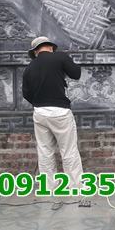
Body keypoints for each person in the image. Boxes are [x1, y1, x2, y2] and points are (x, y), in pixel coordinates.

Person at [22, 36, 83, 194]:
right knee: (68, 150)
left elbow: (26, 94)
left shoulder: (29, 68)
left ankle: (49, 187)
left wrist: (40, 103)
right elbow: (76, 74)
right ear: (50, 47)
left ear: (36, 51)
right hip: (60, 112)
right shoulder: (61, 57)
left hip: (40, 113)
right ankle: (75, 187)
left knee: (45, 151)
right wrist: (70, 61)